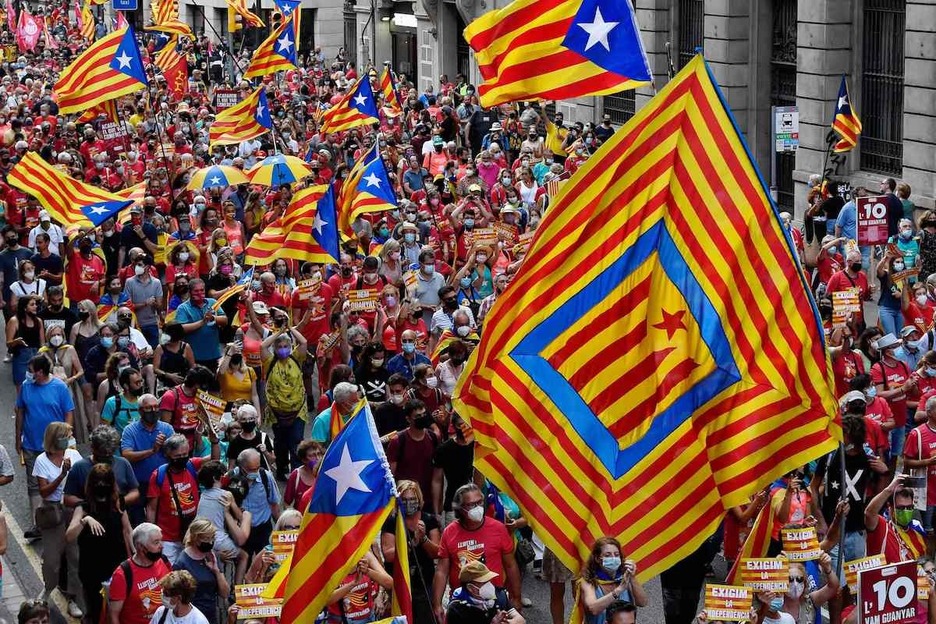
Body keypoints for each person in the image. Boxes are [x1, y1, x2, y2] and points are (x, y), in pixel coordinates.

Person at [433, 483, 523, 622]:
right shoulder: (449, 532)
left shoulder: (498, 528)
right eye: (471, 505)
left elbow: (510, 565)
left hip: (493, 602)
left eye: (479, 502)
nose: (477, 508)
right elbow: (441, 571)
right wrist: (437, 604)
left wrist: (516, 597)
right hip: (462, 607)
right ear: (460, 508)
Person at [16, 353, 74, 540]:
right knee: (34, 486)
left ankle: (61, 519)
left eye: (31, 371)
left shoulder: (59, 387)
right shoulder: (26, 387)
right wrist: (18, 438)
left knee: (59, 482)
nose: (28, 374)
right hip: (31, 444)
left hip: (55, 447)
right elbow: (20, 412)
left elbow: (68, 413)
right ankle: (38, 524)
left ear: (40, 372)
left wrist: (67, 438)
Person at [65, 463, 133, 624]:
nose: (101, 485)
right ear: (91, 484)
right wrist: (85, 520)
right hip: (92, 568)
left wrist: (133, 557)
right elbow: (69, 536)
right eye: (98, 482)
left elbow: (127, 531)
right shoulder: (83, 508)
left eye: (105, 482)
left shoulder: (118, 503)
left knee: (118, 608)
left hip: (116, 565)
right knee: (96, 610)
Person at [32, 421, 83, 618]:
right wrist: (62, 474)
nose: (71, 440)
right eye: (67, 436)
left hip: (71, 510)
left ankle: (73, 597)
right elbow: (44, 492)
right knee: (52, 560)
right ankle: (48, 588)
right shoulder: (41, 460)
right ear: (56, 439)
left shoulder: (74, 455)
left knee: (74, 557)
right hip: (52, 512)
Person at [146, 434, 215, 563]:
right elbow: (151, 508)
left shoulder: (191, 466)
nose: (182, 458)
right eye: (177, 456)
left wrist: (215, 442)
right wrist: (152, 534)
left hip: (191, 534)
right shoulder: (159, 476)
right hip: (167, 537)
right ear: (168, 456)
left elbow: (214, 459)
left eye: (185, 454)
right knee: (170, 571)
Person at [380, 480, 440, 624]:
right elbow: (388, 555)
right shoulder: (392, 521)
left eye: (412, 499)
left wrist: (423, 539)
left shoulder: (429, 520)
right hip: (399, 584)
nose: (409, 503)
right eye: (404, 500)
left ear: (419, 499)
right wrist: (411, 544)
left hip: (424, 584)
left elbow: (437, 552)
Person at [261, 322, 309, 479]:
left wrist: (290, 329)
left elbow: (304, 342)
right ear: (274, 349)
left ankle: (296, 473)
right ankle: (281, 470)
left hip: (297, 410)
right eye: (279, 346)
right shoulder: (269, 361)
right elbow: (263, 346)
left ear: (290, 347)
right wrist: (278, 332)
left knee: (296, 442)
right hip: (277, 412)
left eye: (285, 346)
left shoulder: (296, 358)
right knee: (280, 443)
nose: (283, 349)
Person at [120, 394, 175, 524]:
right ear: (140, 411)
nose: (153, 411)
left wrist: (166, 445)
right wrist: (152, 450)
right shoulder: (130, 430)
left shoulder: (167, 428)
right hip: (139, 484)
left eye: (156, 407)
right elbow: (126, 455)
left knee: (163, 520)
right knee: (138, 522)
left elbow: (176, 453)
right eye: (149, 408)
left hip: (162, 482)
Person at [195, 460, 252, 584]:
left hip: (204, 538)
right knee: (243, 556)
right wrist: (233, 509)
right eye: (223, 474)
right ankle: (237, 588)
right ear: (216, 478)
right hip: (218, 538)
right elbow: (239, 516)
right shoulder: (226, 495)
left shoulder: (203, 495)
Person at [63, 425, 140, 510]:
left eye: (109, 455)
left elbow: (135, 492)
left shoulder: (123, 463)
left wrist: (121, 501)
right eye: (101, 454)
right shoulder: (79, 467)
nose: (105, 457)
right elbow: (67, 498)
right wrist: (86, 504)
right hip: (88, 515)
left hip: (117, 513)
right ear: (92, 448)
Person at [172, 518, 230, 624]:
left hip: (211, 614)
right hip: (192, 617)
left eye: (212, 538)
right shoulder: (182, 563)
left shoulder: (212, 556)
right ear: (196, 538)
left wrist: (216, 571)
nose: (211, 542)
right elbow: (177, 598)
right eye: (207, 538)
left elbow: (225, 593)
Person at [578, 537, 649, 623]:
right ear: (597, 559)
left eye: (616, 554)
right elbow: (593, 609)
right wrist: (619, 590)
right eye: (607, 555)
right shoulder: (588, 581)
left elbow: (643, 602)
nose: (613, 558)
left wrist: (632, 578)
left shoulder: (625, 577)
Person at [388, 399, 439, 512]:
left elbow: (437, 476)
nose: (422, 418)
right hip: (406, 500)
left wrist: (437, 509)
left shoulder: (433, 438)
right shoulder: (398, 441)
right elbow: (391, 475)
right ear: (408, 419)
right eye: (418, 416)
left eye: (424, 414)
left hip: (427, 499)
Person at [232, 448, 280, 558]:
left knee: (265, 562)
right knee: (243, 562)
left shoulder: (265, 477)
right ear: (242, 467)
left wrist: (280, 528)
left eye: (257, 468)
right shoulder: (232, 479)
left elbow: (274, 504)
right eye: (251, 469)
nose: (255, 472)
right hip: (242, 531)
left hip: (263, 530)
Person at [444, 561, 526, 624]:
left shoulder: (499, 595)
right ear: (471, 588)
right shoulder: (456, 610)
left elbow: (521, 620)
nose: (489, 585)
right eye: (484, 582)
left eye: (489, 580)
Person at [174, 279, 227, 369]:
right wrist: (202, 322)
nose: (199, 293)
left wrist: (213, 318)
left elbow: (225, 320)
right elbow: (181, 328)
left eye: (202, 290)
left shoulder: (213, 302)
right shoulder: (183, 308)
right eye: (196, 291)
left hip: (212, 354)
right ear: (190, 292)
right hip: (193, 356)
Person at [7, 294, 44, 392]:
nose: (35, 307)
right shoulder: (14, 321)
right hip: (21, 357)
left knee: (38, 389)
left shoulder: (38, 321)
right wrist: (16, 342)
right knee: (21, 389)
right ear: (24, 308)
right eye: (32, 305)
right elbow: (8, 343)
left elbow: (42, 343)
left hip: (36, 356)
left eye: (35, 304)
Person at [225, 405, 275, 471]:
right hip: (243, 476)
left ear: (255, 419)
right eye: (244, 419)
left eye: (251, 418)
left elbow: (272, 461)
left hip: (262, 475)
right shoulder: (235, 441)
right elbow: (231, 467)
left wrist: (265, 452)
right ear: (239, 421)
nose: (248, 422)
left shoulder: (263, 437)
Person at [101, 367, 144, 433]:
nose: (141, 385)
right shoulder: (112, 402)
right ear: (126, 386)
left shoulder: (144, 402)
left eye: (141, 381)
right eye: (137, 383)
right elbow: (104, 430)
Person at [283, 439, 323, 509]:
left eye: (319, 454)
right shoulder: (296, 475)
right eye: (312, 455)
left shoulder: (326, 474)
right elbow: (286, 503)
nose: (317, 458)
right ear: (304, 459)